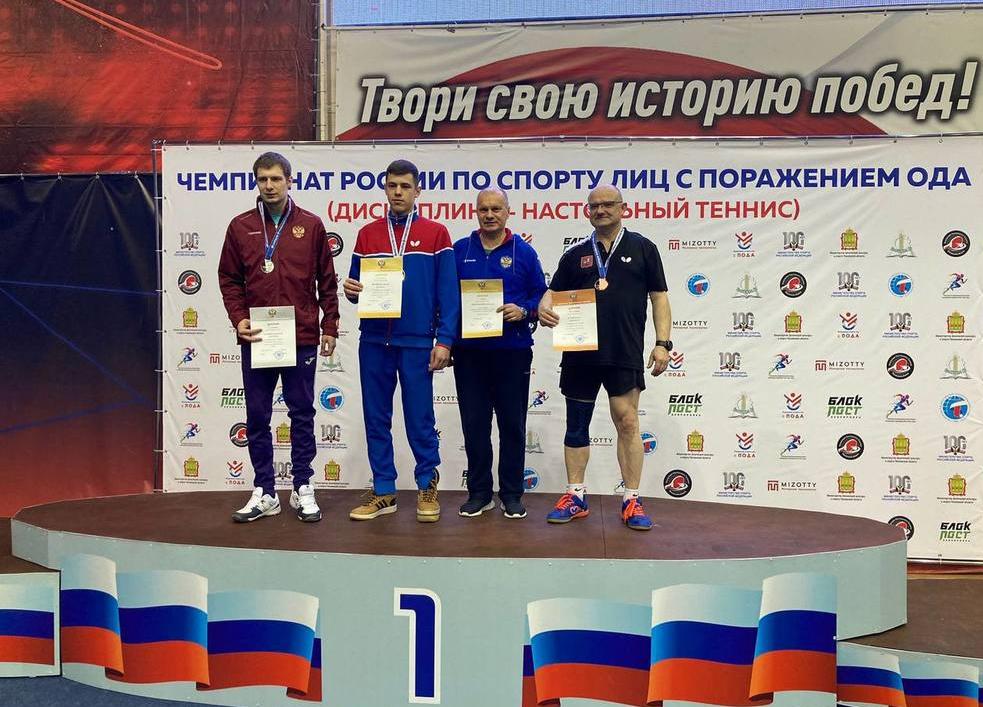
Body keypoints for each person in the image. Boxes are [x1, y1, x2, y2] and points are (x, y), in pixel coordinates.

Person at [538, 184, 671, 531]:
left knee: (627, 422)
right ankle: (575, 496)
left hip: (624, 351)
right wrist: (543, 306)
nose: (600, 210)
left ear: (623, 208)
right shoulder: (575, 255)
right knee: (576, 424)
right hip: (580, 353)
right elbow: (552, 293)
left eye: (608, 204)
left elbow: (659, 297)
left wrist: (663, 343)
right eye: (594, 206)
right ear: (587, 212)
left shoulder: (643, 248)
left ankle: (631, 499)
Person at [218, 151, 339, 523]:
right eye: (262, 179)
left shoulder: (311, 225)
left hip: (300, 334)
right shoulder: (240, 226)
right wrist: (238, 319)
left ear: (290, 181)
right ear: (256, 182)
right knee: (257, 415)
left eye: (275, 179)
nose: (269, 186)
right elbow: (229, 279)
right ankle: (265, 491)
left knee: (302, 413)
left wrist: (330, 326)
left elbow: (327, 281)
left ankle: (302, 486)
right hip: (258, 335)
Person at [343, 159, 459, 522]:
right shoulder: (367, 234)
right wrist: (351, 291)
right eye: (392, 185)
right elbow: (355, 286)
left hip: (417, 342)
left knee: (420, 418)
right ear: (385, 188)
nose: (398, 192)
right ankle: (384, 490)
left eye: (405, 186)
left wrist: (445, 340)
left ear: (417, 190)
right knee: (376, 417)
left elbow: (449, 293)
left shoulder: (436, 233)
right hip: (374, 340)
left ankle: (426, 484)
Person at [452, 188, 547, 519]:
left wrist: (524, 310)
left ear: (508, 212)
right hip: (469, 354)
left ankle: (511, 493)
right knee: (475, 425)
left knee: (512, 425)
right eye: (484, 209)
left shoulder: (524, 252)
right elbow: (446, 298)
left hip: (512, 352)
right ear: (476, 212)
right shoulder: (460, 250)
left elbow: (541, 295)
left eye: (496, 209)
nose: (490, 215)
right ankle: (480, 493)